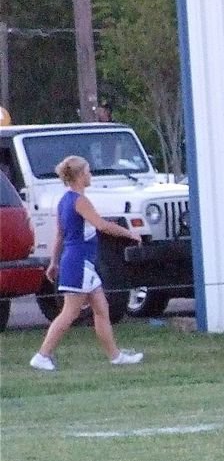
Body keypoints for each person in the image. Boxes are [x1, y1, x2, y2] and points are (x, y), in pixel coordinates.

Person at [28, 156, 144, 371]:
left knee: (101, 309)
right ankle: (42, 355)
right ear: (80, 175)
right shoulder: (79, 201)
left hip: (79, 263)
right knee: (70, 312)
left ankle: (115, 356)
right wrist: (129, 233)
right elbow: (101, 225)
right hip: (79, 263)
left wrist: (54, 262)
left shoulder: (64, 200)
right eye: (88, 171)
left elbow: (60, 236)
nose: (90, 175)